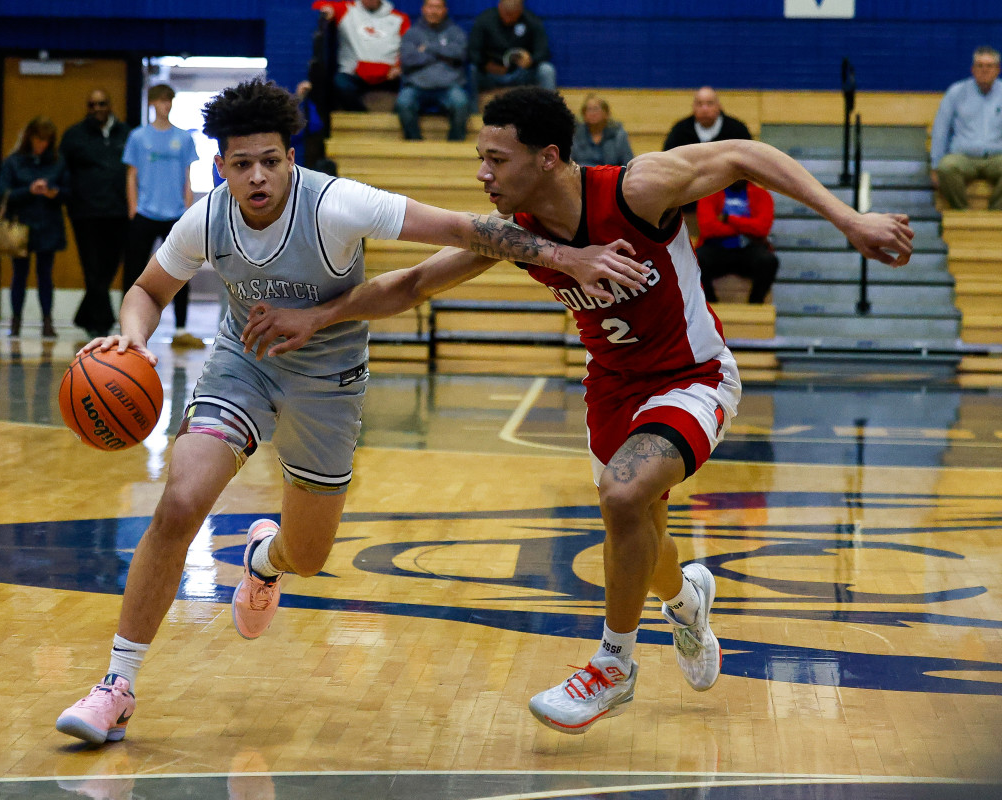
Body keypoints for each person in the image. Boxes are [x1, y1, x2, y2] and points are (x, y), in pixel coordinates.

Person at [239, 87, 913, 734]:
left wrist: (848, 218)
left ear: (549, 158)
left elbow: (743, 155)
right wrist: (317, 316)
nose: (481, 174)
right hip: (612, 393)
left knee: (622, 497)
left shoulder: (636, 188)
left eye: (496, 159)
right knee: (645, 543)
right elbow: (412, 282)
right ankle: (685, 601)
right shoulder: (520, 235)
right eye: (481, 157)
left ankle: (613, 665)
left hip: (692, 378)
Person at [54, 78, 652, 746]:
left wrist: (569, 256)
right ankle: (117, 684)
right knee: (179, 503)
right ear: (219, 165)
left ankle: (264, 561)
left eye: (271, 161)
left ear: (292, 157)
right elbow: (146, 288)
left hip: (327, 385)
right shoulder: (208, 218)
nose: (258, 176)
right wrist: (130, 337)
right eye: (242, 163)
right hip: (242, 368)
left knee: (308, 555)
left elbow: (464, 229)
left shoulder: (336, 204)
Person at [121, 84, 203, 349]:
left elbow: (187, 177)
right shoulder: (138, 137)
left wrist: (186, 209)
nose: (164, 105)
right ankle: (128, 326)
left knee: (181, 270)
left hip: (175, 214)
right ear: (152, 103)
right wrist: (133, 208)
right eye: (160, 101)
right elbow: (131, 175)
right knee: (134, 271)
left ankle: (180, 328)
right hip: (145, 212)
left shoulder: (184, 138)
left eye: (168, 101)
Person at [60, 89, 132, 339]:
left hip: (118, 212)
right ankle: (102, 323)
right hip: (85, 212)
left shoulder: (127, 134)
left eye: (102, 103)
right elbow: (63, 171)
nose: (97, 108)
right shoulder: (74, 136)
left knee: (109, 268)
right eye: (92, 105)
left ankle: (84, 316)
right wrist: (70, 200)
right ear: (87, 107)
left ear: (109, 105)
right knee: (91, 267)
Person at [0, 116, 69, 338]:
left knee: (45, 275)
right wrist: (29, 190)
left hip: (48, 224)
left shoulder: (58, 161)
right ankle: (16, 321)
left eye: (46, 141)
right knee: (19, 274)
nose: (42, 145)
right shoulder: (14, 161)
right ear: (30, 138)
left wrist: (53, 192)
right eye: (39, 140)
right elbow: (2, 193)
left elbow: (69, 192)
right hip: (21, 225)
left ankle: (47, 321)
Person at [930, 46, 1002, 211]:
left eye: (989, 66)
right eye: (980, 66)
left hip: (997, 158)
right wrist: (934, 166)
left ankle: (996, 217)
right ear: (972, 69)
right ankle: (962, 214)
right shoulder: (956, 92)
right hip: (963, 158)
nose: (984, 70)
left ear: (997, 70)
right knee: (946, 167)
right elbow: (941, 129)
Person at [314, 0, 410, 112]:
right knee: (340, 83)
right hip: (354, 76)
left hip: (387, 78)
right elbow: (317, 5)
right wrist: (327, 9)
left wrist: (398, 66)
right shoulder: (346, 10)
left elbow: (408, 48)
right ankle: (364, 116)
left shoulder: (399, 18)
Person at [396, 0, 472, 142]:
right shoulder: (412, 33)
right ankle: (414, 144)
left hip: (449, 87)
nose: (434, 11)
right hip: (416, 87)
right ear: (423, 9)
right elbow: (407, 59)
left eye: (438, 7)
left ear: (445, 10)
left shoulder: (456, 32)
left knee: (461, 102)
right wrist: (443, 55)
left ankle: (454, 146)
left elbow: (459, 54)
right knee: (403, 101)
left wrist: (428, 48)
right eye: (430, 7)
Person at [695, 180, 778, 304]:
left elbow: (762, 228)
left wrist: (727, 219)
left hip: (748, 250)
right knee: (695, 259)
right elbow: (707, 228)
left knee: (769, 261)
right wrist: (747, 227)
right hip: (717, 249)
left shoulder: (761, 195)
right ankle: (709, 303)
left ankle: (755, 303)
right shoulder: (710, 193)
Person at [468, 0, 556, 97]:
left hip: (521, 74)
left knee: (546, 69)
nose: (508, 19)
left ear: (520, 10)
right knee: (473, 69)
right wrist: (486, 65)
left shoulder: (531, 20)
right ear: (499, 7)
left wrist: (531, 60)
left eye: (512, 15)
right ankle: (474, 110)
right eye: (506, 13)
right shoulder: (484, 20)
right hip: (492, 74)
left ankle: (550, 107)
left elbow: (544, 52)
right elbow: (472, 52)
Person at [662, 86, 752, 151]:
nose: (704, 109)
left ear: (719, 106)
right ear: (693, 107)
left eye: (710, 104)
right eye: (699, 104)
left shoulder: (737, 130)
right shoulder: (680, 131)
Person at [572, 95, 633, 168]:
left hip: (611, 177)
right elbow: (569, 163)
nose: (592, 113)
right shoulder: (576, 135)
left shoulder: (619, 135)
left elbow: (628, 164)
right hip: (583, 177)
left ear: (606, 113)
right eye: (589, 109)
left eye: (596, 109)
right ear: (584, 115)